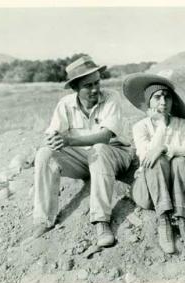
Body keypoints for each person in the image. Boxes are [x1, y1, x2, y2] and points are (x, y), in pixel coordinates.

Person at [32, 56, 135, 247]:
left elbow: (105, 137)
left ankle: (101, 220)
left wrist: (69, 139)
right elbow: (52, 132)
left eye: (97, 82)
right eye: (88, 85)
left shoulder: (111, 97)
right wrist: (53, 139)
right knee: (45, 154)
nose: (95, 89)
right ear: (75, 88)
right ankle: (44, 219)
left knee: (99, 148)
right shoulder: (65, 104)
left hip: (115, 154)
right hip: (86, 161)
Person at [122, 73, 185, 254]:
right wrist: (162, 127)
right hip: (149, 191)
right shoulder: (140, 127)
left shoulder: (182, 124)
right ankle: (163, 218)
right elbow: (146, 156)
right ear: (149, 102)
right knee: (156, 161)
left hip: (175, 189)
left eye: (167, 96)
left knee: (180, 161)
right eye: (157, 97)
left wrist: (165, 148)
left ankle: (182, 220)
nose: (163, 101)